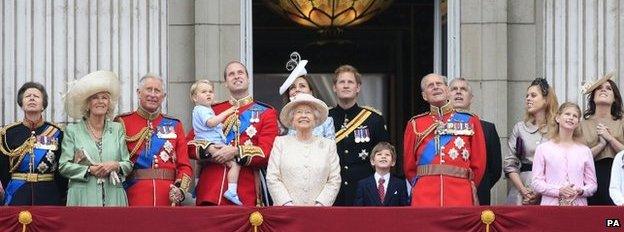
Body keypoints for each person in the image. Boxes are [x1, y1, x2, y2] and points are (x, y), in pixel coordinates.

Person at [188, 61, 279, 206]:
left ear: (248, 79)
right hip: (210, 190)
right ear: (225, 83)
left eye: (240, 72)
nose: (236, 76)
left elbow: (267, 152)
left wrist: (236, 151)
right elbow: (189, 145)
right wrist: (210, 150)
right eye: (231, 74)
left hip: (245, 192)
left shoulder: (266, 113)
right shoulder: (212, 110)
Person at [403, 73, 486, 206]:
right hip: (425, 195)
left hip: (460, 193)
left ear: (447, 91)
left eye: (439, 84)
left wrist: (467, 185)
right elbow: (409, 167)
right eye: (430, 86)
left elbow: (479, 163)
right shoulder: (414, 124)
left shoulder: (470, 120)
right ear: (425, 96)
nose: (435, 87)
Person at [115, 74, 193, 206]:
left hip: (168, 196)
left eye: (157, 91)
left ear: (163, 96)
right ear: (139, 93)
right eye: (148, 89)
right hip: (134, 194)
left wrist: (180, 189)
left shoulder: (175, 124)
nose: (153, 94)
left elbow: (184, 165)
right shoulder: (122, 122)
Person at [59, 71, 133, 206]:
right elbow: (64, 166)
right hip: (82, 197)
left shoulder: (117, 129)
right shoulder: (72, 131)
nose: (100, 101)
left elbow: (127, 165)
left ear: (109, 103)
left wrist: (116, 165)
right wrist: (88, 170)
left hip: (113, 196)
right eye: (95, 98)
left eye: (104, 98)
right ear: (87, 104)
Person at [329, 64, 390, 206]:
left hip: (365, 189)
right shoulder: (325, 118)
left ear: (358, 88)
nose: (345, 86)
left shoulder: (373, 119)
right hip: (332, 189)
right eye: (341, 82)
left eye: (350, 82)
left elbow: (384, 155)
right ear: (334, 88)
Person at [266, 93, 341, 206]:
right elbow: (272, 177)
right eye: (299, 112)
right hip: (286, 212)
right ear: (292, 119)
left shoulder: (328, 145)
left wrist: (320, 205)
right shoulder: (280, 143)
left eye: (308, 112)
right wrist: (287, 204)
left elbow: (334, 179)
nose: (303, 116)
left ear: (315, 118)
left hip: (319, 213)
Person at [0, 82, 66, 205]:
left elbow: (61, 169)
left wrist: (60, 194)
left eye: (36, 96)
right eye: (27, 96)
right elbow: (3, 169)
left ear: (43, 104)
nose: (31, 98)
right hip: (17, 194)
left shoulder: (57, 132)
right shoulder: (8, 133)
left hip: (48, 193)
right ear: (21, 104)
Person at [504, 78, 559, 205]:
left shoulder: (557, 128)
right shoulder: (520, 128)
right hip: (522, 187)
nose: (528, 99)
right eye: (527, 96)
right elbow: (509, 163)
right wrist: (524, 191)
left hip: (551, 187)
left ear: (546, 100)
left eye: (533, 95)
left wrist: (540, 191)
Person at [449, 78, 502, 205]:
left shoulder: (487, 129)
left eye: (463, 89)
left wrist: (478, 185)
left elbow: (495, 170)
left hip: (478, 192)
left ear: (471, 98)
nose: (458, 92)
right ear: (447, 95)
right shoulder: (437, 127)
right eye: (454, 89)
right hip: (447, 192)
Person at [532, 102, 597, 206]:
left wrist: (581, 190)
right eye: (567, 114)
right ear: (557, 118)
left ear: (578, 123)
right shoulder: (543, 149)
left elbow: (592, 185)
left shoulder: (585, 151)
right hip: (550, 207)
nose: (571, 117)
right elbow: (536, 182)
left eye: (575, 116)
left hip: (578, 207)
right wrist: (558, 190)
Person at [189, 79, 241, 205]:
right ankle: (232, 191)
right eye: (204, 92)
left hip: (204, 142)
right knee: (235, 164)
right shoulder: (204, 110)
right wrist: (228, 112)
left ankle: (196, 185)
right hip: (211, 143)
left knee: (200, 164)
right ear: (195, 97)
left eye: (210, 91)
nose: (208, 94)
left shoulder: (201, 109)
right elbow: (211, 123)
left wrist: (222, 126)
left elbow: (211, 126)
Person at [579, 73, 624, 205]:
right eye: (599, 88)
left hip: (619, 177)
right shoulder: (581, 124)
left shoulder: (622, 122)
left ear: (615, 98)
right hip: (591, 177)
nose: (603, 90)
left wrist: (610, 139)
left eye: (609, 88)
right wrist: (600, 145)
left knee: (615, 223)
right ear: (592, 97)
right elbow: (578, 158)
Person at [279, 52, 335, 139]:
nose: (297, 89)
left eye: (302, 86)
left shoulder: (326, 121)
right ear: (289, 94)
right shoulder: (284, 122)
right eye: (292, 87)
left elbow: (331, 150)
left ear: (311, 92)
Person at [354, 142, 409, 206]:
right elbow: (358, 210)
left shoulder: (400, 184)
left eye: (387, 155)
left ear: (393, 162)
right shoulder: (363, 185)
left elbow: (404, 209)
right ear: (372, 161)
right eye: (379, 154)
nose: (383, 157)